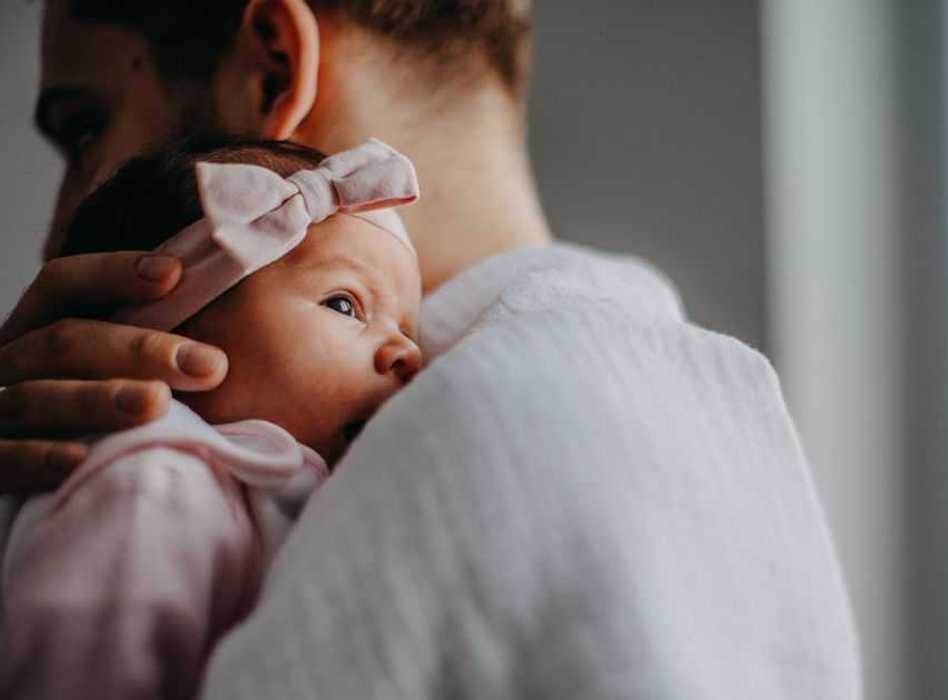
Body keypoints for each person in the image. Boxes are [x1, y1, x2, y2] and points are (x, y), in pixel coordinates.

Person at [1, 1, 861, 696]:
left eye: (85, 130)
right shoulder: (693, 404)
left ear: (272, 67)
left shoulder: (488, 432)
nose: (54, 235)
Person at [1, 136, 423, 698]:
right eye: (345, 304)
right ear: (172, 336)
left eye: (408, 329)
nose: (407, 354)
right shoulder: (152, 479)